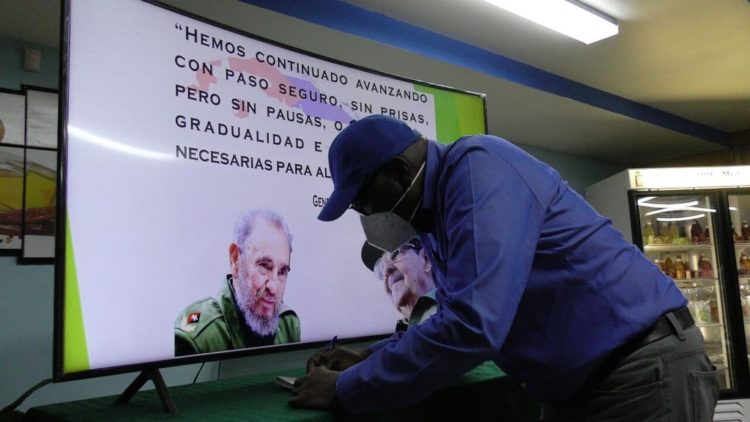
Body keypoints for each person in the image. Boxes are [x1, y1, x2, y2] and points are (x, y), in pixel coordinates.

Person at [289, 115, 719, 421]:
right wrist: (368, 357)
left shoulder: (478, 169)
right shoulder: (438, 219)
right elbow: (450, 315)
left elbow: (473, 326)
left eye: (363, 201)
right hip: (582, 386)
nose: (365, 215)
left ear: (400, 172)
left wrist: (348, 388)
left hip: (638, 371)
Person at [174, 208, 300, 356]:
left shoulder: (288, 326)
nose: (273, 287)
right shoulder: (198, 340)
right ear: (235, 260)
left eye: (282, 272)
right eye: (264, 266)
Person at [361, 238, 437, 330]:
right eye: (381, 267)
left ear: (426, 259)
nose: (386, 270)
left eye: (395, 254)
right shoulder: (402, 335)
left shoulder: (450, 315)